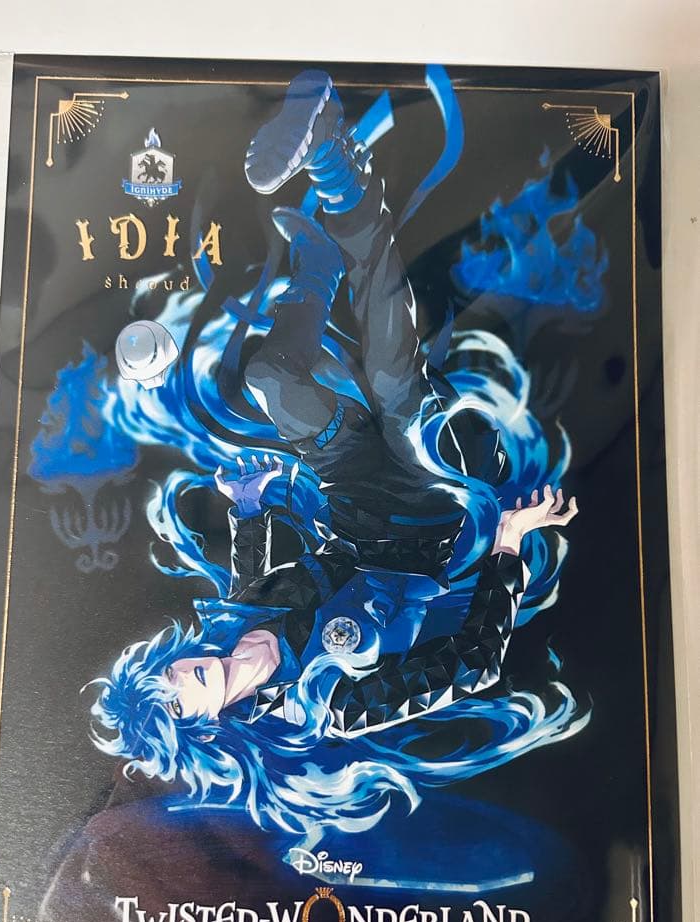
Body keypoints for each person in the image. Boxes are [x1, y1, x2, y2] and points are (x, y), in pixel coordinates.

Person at [92, 70, 579, 828]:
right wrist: (509, 547)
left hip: (350, 503)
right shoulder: (329, 703)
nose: (183, 674)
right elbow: (474, 666)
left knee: (270, 379)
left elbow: (250, 583)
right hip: (427, 512)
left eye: (168, 674)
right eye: (179, 698)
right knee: (391, 379)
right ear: (204, 726)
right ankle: (335, 159)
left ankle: (316, 265)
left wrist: (247, 509)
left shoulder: (224, 627)